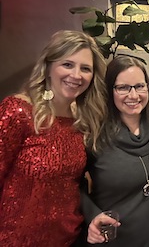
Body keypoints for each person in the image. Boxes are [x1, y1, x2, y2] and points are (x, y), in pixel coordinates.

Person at [0, 30, 107, 246]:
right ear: (48, 67)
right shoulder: (18, 112)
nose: (76, 75)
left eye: (85, 68)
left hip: (68, 238)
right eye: (67, 64)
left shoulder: (82, 122)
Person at [82, 55, 149, 246]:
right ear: (109, 91)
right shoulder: (95, 133)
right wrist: (92, 215)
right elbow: (72, 185)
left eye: (139, 86)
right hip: (112, 238)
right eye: (123, 88)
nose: (133, 95)